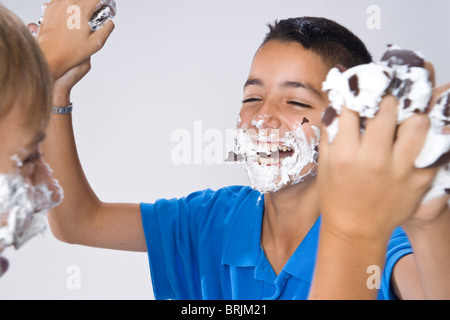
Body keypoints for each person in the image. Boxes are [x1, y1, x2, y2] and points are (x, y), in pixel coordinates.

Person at [36, 0, 450, 299]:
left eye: (297, 102)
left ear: (351, 125)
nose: (262, 117)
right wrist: (54, 87)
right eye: (252, 97)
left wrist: (430, 218)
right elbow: (77, 222)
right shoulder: (210, 220)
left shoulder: (386, 240)